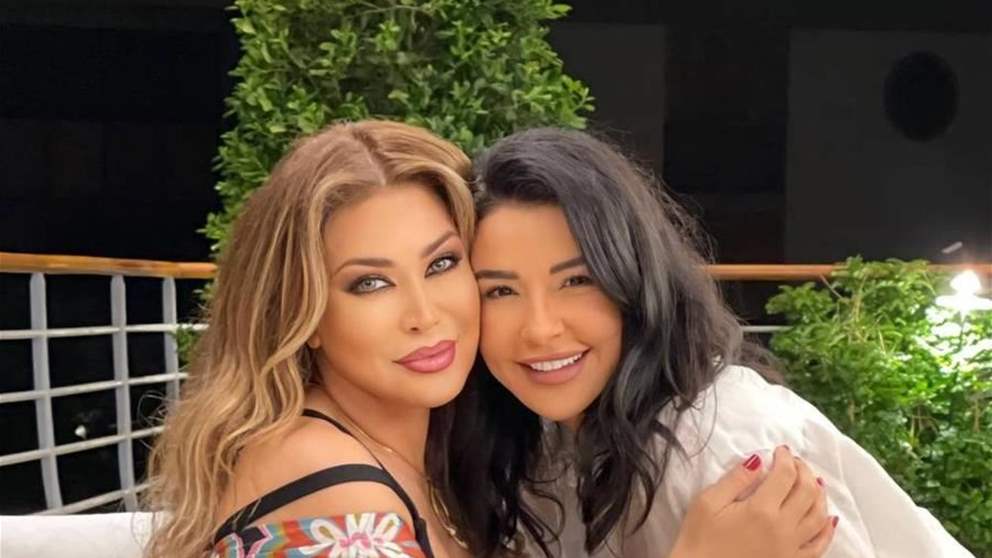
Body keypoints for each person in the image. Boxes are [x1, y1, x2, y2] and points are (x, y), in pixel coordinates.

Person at [145, 120, 832, 558]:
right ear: (303, 314)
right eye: (370, 284)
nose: (425, 314)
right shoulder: (328, 485)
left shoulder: (432, 459)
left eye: (443, 264)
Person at [443, 127, 975, 557]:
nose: (539, 328)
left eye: (577, 280)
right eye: (501, 291)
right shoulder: (544, 449)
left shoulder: (720, 444)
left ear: (636, 281)